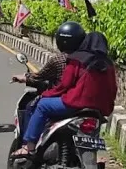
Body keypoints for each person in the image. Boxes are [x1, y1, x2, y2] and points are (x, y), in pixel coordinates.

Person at [11, 28, 117, 158]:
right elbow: (113, 89)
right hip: (100, 109)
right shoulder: (109, 64)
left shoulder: (77, 59)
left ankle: (29, 147)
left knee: (42, 106)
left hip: (76, 104)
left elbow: (64, 85)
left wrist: (46, 95)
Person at [11, 21, 82, 140]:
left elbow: (40, 77)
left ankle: (27, 145)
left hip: (65, 101)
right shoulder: (87, 59)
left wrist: (25, 77)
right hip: (85, 104)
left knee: (33, 107)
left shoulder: (59, 60)